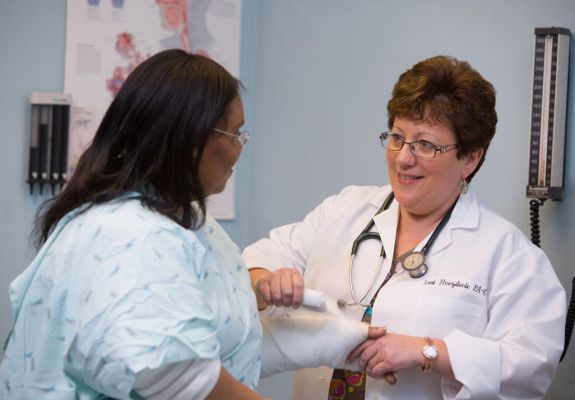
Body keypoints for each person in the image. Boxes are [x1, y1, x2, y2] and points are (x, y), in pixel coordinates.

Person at [0, 49, 384, 400]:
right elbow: (174, 373)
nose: (239, 148)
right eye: (234, 133)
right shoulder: (128, 233)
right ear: (190, 138)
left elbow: (224, 340)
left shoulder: (189, 221)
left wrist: (335, 340)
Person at [244, 55, 566, 399]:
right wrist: (265, 280)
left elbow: (532, 364)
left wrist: (429, 352)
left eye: (425, 144)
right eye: (397, 137)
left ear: (470, 159)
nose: (403, 158)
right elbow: (251, 267)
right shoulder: (343, 210)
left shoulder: (509, 255)